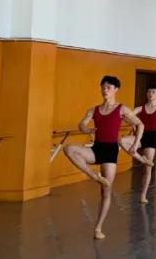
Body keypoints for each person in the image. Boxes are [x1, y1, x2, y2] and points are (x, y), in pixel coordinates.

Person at [64, 75, 150, 240]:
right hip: (96, 149)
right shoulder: (94, 110)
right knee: (69, 149)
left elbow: (140, 124)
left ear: (116, 90)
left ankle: (98, 227)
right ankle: (93, 176)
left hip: (110, 152)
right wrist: (87, 129)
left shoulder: (121, 109)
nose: (105, 90)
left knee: (105, 192)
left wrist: (135, 143)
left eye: (108, 87)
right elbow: (81, 124)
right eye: (103, 87)